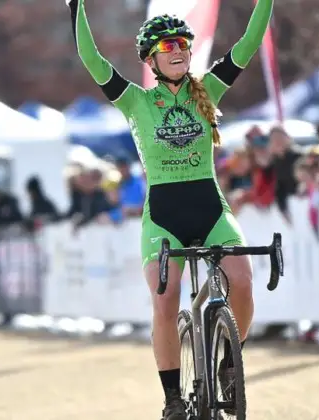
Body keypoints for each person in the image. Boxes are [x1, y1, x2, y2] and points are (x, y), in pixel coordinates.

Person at [67, 0, 273, 418]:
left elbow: (250, 43)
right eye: (167, 46)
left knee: (244, 283)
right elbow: (91, 58)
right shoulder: (136, 102)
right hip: (163, 216)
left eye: (182, 43)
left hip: (210, 208)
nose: (178, 50)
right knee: (165, 300)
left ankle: (230, 368)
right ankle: (173, 399)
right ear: (151, 59)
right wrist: (77, 7)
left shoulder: (208, 89)